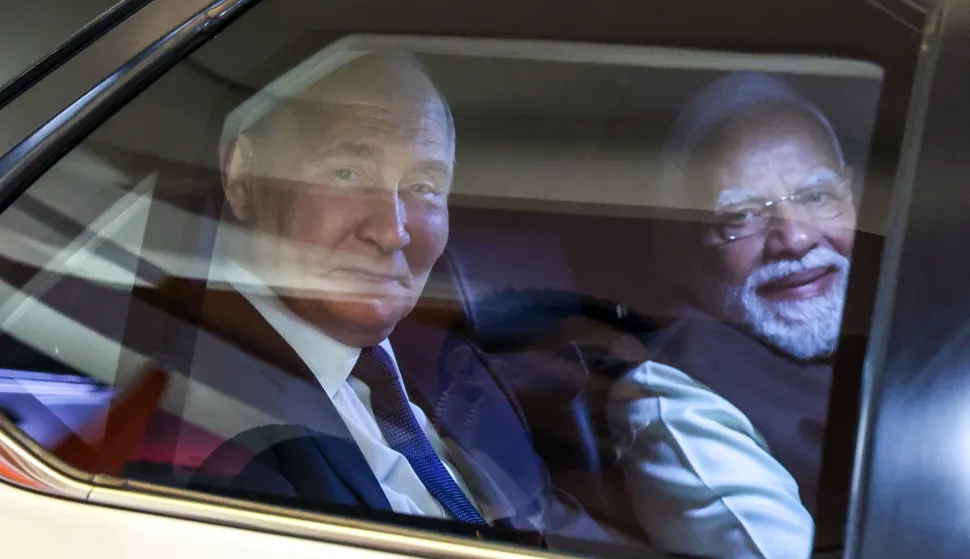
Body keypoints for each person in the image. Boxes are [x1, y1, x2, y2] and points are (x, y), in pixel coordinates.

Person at [139, 50, 619, 548]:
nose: (392, 231)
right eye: (346, 173)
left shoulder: (454, 365)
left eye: (423, 186)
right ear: (242, 178)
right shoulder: (207, 433)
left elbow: (558, 530)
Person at [607, 72, 857, 559]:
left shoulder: (905, 318)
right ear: (681, 249)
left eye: (816, 197)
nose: (796, 237)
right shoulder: (673, 397)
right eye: (740, 216)